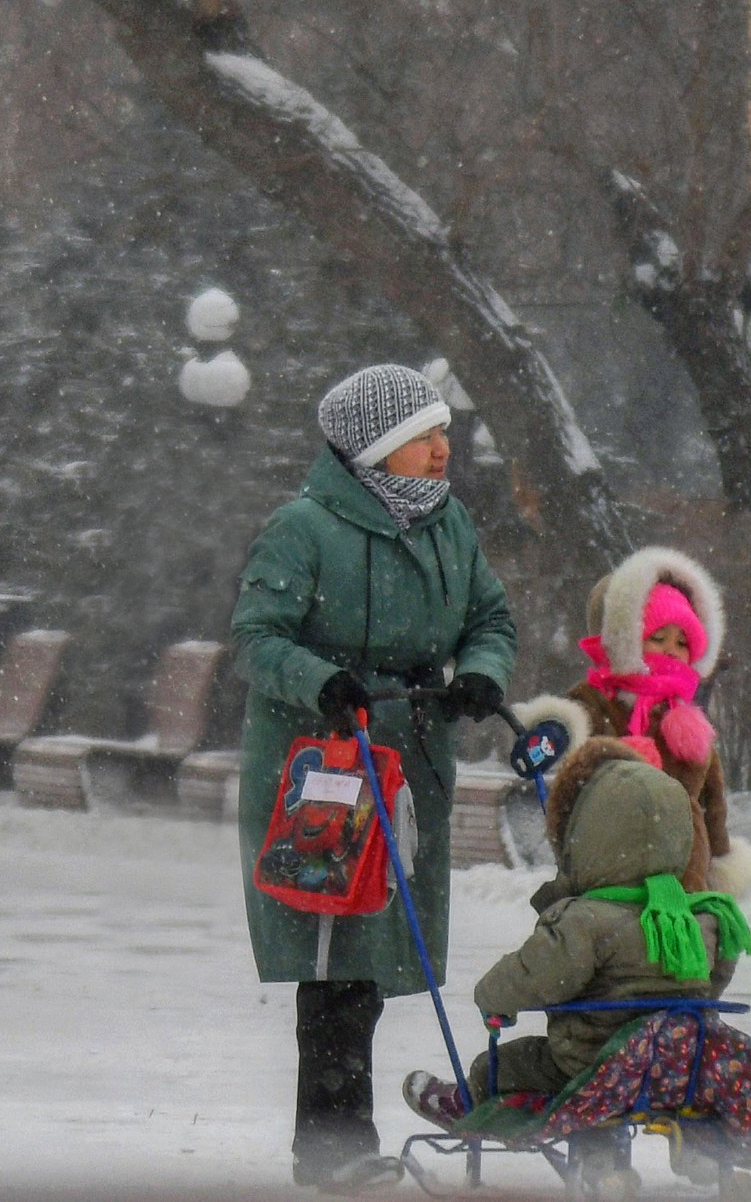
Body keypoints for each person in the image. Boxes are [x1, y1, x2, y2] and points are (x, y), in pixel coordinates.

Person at [232, 363, 516, 1190]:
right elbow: (256, 636)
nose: (441, 449)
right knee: (335, 960)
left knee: (377, 955)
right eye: (424, 437)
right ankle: (331, 1144)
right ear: (377, 449)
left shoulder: (449, 524)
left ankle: (340, 1138)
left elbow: (490, 617)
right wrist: (321, 681)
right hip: (323, 772)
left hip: (411, 767)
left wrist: (480, 673)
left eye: (442, 434)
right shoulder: (302, 528)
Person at [404, 736, 751, 1122]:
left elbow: (536, 975)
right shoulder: (703, 916)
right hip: (672, 1071)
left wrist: (491, 997)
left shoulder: (584, 920)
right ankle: (686, 1152)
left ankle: (463, 1104)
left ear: (591, 838)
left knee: (500, 1065)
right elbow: (714, 979)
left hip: (590, 1069)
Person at [530, 548, 751, 913]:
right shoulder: (601, 703)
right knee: (617, 963)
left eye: (682, 642)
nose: (671, 650)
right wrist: (553, 732)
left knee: (694, 964)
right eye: (659, 637)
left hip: (684, 876)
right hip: (611, 871)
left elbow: (713, 801)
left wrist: (720, 857)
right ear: (631, 640)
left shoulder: (690, 723)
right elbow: (571, 753)